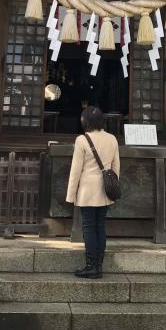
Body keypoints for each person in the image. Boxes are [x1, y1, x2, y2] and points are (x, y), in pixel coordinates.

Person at [66, 105, 120, 279]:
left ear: (86, 121)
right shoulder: (112, 139)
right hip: (105, 190)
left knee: (88, 228)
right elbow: (116, 167)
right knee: (100, 227)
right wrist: (113, 186)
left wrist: (71, 195)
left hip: (87, 191)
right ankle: (98, 265)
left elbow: (76, 171)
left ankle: (91, 266)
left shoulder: (82, 140)